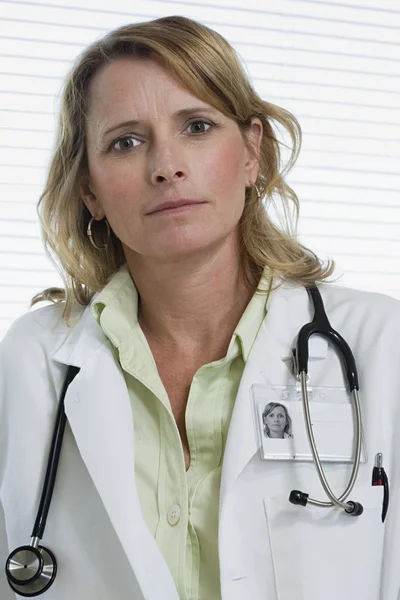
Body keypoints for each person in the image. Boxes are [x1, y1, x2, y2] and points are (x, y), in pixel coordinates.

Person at [0, 14, 399, 600]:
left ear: (251, 154)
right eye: (125, 142)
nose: (166, 166)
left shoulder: (380, 344)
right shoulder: (35, 360)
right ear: (90, 190)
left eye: (197, 126)